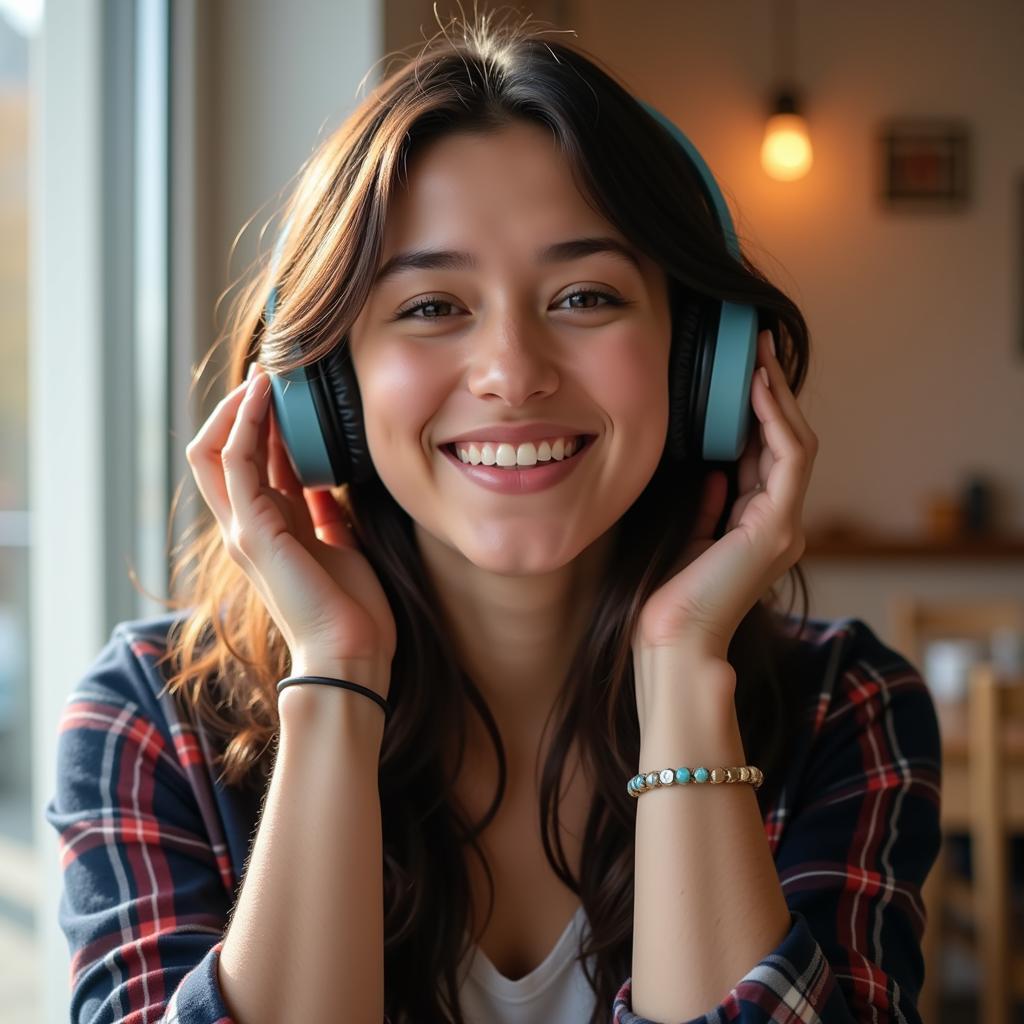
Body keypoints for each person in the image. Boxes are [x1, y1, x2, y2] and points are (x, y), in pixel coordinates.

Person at [43, 12, 941, 1024]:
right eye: (430, 307)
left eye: (586, 295)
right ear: (321, 390)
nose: (513, 373)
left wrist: (687, 673)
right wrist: (336, 677)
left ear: (705, 367)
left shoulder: (843, 706)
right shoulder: (150, 719)